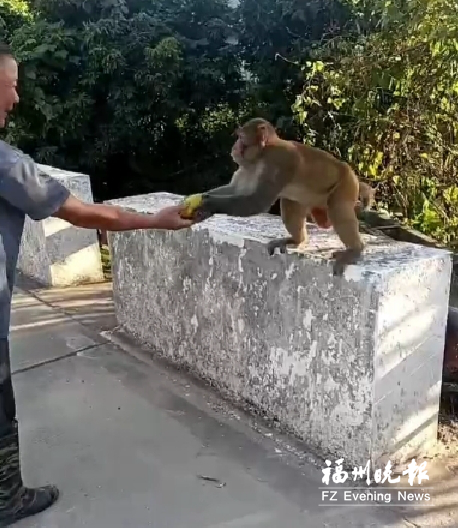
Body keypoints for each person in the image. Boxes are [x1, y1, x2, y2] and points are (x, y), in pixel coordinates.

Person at [0, 43, 196, 526]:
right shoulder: (6, 164)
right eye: (11, 85)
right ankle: (7, 499)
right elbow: (82, 212)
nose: (17, 97)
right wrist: (155, 220)